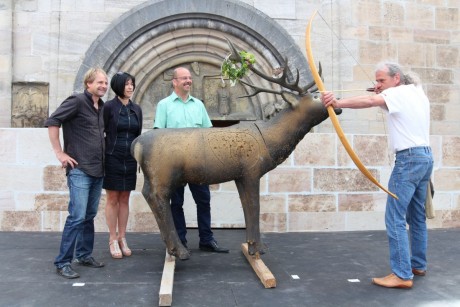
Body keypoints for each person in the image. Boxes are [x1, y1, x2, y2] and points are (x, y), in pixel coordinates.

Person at [321, 61, 433, 289]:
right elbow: (378, 99)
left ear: (397, 78)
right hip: (424, 158)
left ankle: (402, 274)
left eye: (382, 80)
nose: (378, 85)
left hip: (409, 160)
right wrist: (381, 91)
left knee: (395, 217)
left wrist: (337, 102)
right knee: (416, 216)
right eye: (376, 81)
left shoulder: (399, 93)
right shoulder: (416, 93)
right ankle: (417, 265)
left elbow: (371, 101)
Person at [154, 67, 229, 253]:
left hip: (198, 164)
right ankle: (181, 241)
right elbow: (158, 135)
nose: (188, 80)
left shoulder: (199, 105)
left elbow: (208, 133)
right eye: (184, 78)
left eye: (189, 78)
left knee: (204, 201)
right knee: (176, 203)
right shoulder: (164, 105)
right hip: (175, 165)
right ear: (175, 82)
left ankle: (206, 239)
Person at [45, 67, 108, 279]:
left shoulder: (101, 107)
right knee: (77, 216)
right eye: (99, 82)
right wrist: (59, 152)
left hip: (98, 170)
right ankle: (62, 262)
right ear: (88, 84)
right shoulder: (76, 101)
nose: (103, 86)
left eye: (105, 83)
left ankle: (83, 254)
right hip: (80, 170)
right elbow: (53, 121)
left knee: (89, 216)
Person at [103, 72, 143, 259]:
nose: (130, 87)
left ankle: (122, 237)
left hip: (130, 158)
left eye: (132, 84)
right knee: (112, 198)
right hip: (112, 157)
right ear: (118, 86)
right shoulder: (109, 107)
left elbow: (138, 134)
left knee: (125, 198)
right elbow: (100, 132)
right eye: (127, 84)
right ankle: (112, 238)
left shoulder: (137, 109)